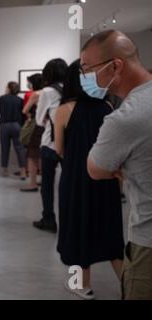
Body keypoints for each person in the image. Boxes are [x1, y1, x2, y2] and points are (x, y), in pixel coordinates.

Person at [82, 30, 152, 300]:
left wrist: (121, 166)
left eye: (87, 68)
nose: (85, 76)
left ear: (115, 66)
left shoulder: (125, 119)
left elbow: (96, 168)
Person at [55, 60, 124, 300]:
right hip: (105, 178)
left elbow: (60, 150)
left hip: (75, 180)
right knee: (111, 232)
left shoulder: (64, 110)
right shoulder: (107, 107)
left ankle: (81, 285)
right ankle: (130, 285)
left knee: (77, 229)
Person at [33, 58, 68, 233]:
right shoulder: (72, 89)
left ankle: (49, 219)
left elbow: (39, 120)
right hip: (68, 144)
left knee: (47, 184)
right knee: (68, 184)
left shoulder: (47, 92)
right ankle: (69, 220)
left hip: (50, 143)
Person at [21, 73, 44, 192]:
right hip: (47, 126)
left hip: (37, 126)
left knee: (32, 155)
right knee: (42, 155)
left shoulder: (35, 94)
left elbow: (25, 110)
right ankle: (43, 180)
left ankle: (33, 183)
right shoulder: (47, 92)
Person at [0, 82, 26, 179]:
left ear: (9, 88)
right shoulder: (20, 100)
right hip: (17, 125)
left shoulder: (2, 99)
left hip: (4, 125)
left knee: (5, 148)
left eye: (6, 87)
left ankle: (5, 170)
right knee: (20, 148)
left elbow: (1, 112)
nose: (5, 88)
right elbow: (23, 114)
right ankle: (23, 171)